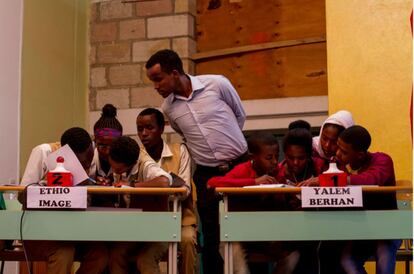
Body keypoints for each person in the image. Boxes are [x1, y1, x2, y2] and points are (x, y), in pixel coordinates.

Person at [145, 49, 249, 274]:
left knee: (247, 230)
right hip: (205, 174)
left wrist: (225, 150)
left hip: (240, 166)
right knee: (211, 236)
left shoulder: (217, 84)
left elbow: (239, 116)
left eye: (158, 79)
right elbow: (185, 135)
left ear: (174, 73)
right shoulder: (168, 109)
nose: (156, 86)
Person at [20, 127, 108, 274]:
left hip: (74, 230)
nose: (87, 166)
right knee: (63, 254)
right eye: (82, 164)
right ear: (66, 156)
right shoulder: (43, 152)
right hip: (43, 231)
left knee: (100, 254)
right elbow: (22, 196)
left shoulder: (93, 155)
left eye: (89, 161)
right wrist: (51, 187)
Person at [208, 133, 299, 274]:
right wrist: (254, 182)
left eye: (277, 156)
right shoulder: (242, 170)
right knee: (239, 267)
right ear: (253, 158)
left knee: (292, 256)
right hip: (235, 235)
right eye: (269, 158)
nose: (275, 162)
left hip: (264, 234)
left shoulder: (277, 174)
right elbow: (212, 183)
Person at [136, 107, 198, 274]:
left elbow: (184, 190)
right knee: (142, 257)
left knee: (187, 240)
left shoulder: (180, 151)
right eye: (140, 129)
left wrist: (156, 189)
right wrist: (170, 188)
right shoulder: (137, 155)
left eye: (149, 128)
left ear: (162, 128)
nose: (144, 133)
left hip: (180, 220)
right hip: (149, 223)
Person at [336, 125, 400, 274]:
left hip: (386, 229)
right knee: (347, 261)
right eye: (338, 147)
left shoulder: (382, 160)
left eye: (344, 151)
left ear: (360, 155)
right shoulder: (340, 165)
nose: (338, 154)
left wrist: (336, 179)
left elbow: (371, 179)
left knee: (384, 260)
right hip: (362, 231)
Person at [107, 136, 174, 274]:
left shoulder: (146, 164)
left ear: (131, 164)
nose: (115, 172)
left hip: (158, 231)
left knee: (145, 260)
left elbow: (164, 182)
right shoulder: (118, 156)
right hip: (134, 229)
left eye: (119, 170)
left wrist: (132, 185)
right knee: (116, 255)